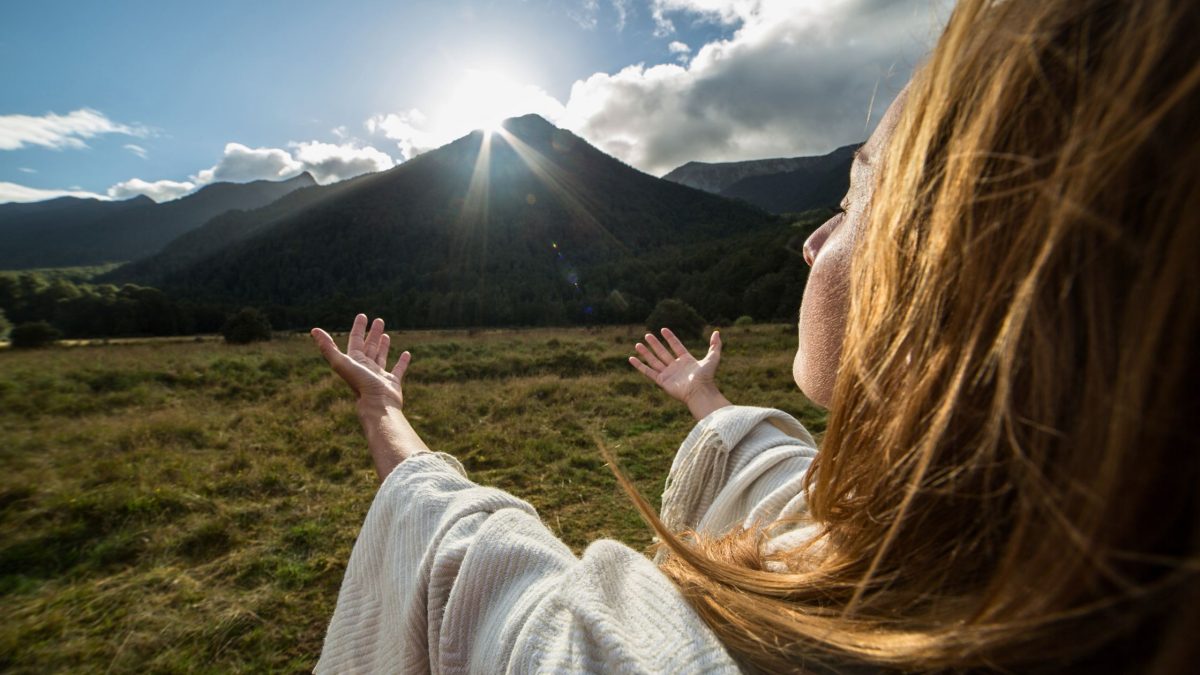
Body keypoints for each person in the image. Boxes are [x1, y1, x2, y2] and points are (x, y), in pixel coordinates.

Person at [309, 0, 1199, 671]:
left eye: (852, 197)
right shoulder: (1044, 578)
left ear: (961, 276)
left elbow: (475, 584)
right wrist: (702, 394)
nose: (811, 238)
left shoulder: (713, 652)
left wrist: (388, 419)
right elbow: (787, 484)